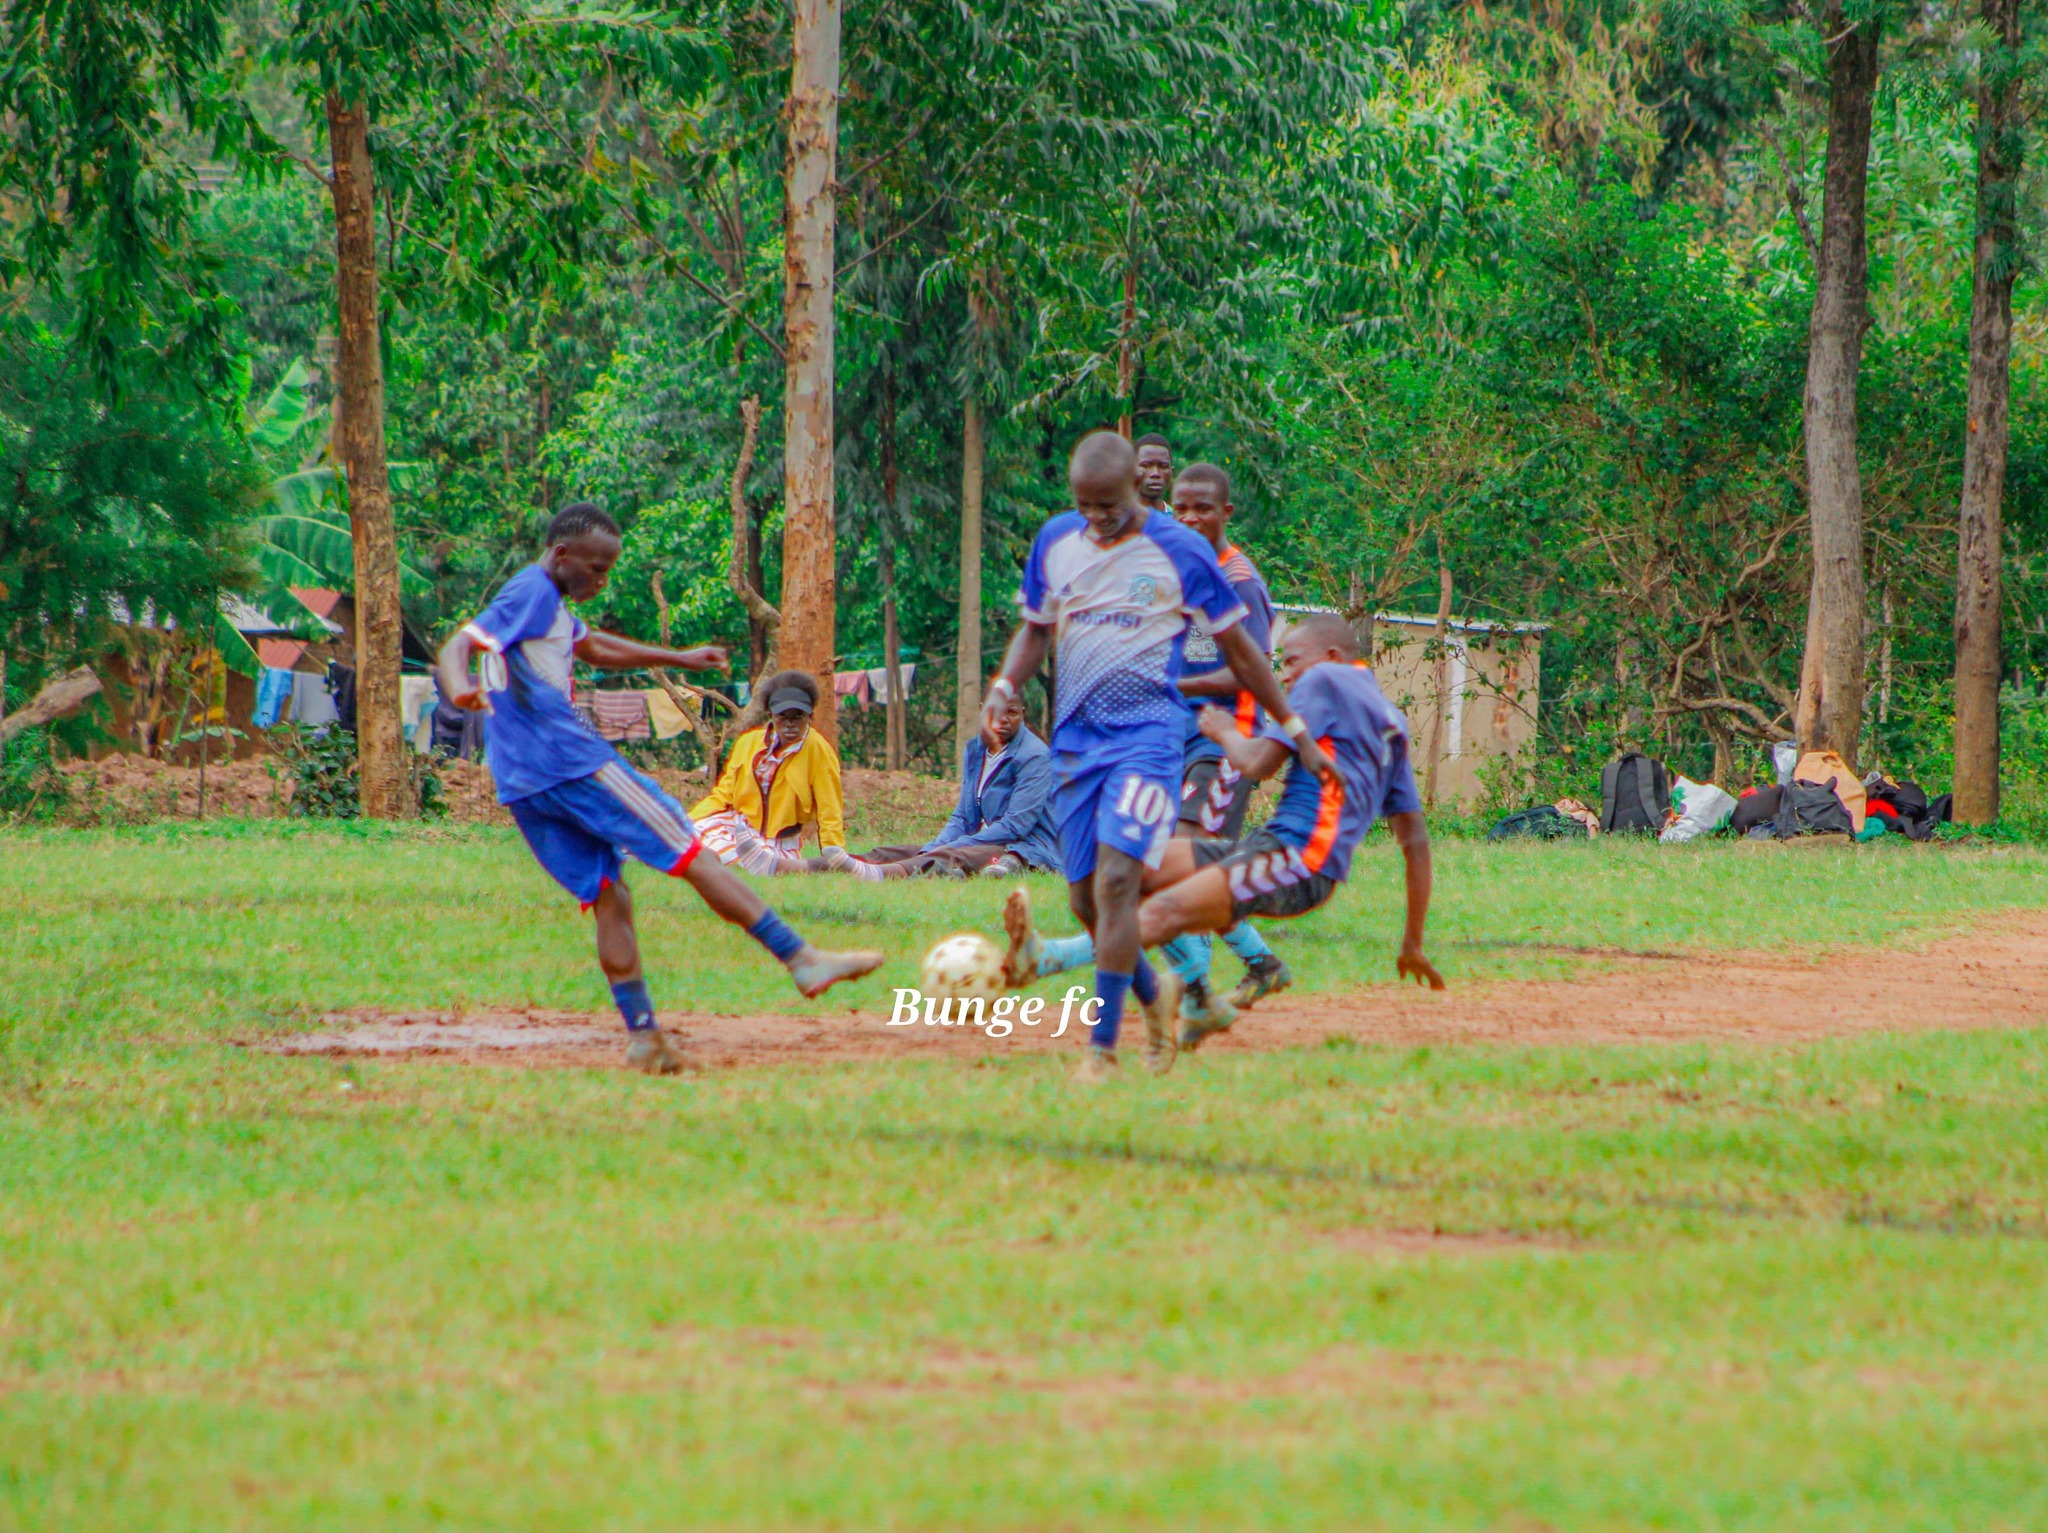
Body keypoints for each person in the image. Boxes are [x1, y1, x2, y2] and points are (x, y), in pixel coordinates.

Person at [435, 504, 882, 1075]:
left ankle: (645, 1037)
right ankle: (801, 957)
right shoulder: (530, 593)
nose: (602, 580)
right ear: (562, 555)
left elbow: (592, 647)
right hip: (572, 765)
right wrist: (458, 688)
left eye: (609, 571)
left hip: (521, 784)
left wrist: (679, 658)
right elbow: (458, 647)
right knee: (688, 846)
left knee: (609, 893)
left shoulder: (548, 605)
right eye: (597, 569)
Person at [981, 429, 1332, 1084]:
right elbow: (1034, 627)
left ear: (1135, 493)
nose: (1096, 521)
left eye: (1107, 507)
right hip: (1078, 742)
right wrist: (1004, 684)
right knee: (1087, 899)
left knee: (1124, 880)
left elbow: (1245, 652)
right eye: (1084, 507)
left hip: (1151, 738)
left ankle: (1101, 1051)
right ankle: (1163, 996)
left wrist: (1293, 726)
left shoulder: (1180, 553)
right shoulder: (1057, 542)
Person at [1003, 612, 1444, 1060]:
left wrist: (1224, 731)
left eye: (1291, 661)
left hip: (1296, 862)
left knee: (1162, 912)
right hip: (1272, 850)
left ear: (1332, 657)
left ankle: (1052, 964)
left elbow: (1257, 763)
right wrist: (1412, 943)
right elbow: (1415, 842)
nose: (1285, 675)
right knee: (1127, 871)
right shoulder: (1392, 722)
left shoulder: (1325, 681)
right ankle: (1200, 1000)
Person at [1018, 463, 1288, 1025]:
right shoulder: (1166, 566)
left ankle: (1093, 965)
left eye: (1202, 510)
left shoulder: (1238, 579)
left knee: (1166, 869)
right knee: (1149, 867)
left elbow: (1250, 667)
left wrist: (1165, 681)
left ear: (1226, 514)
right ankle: (1244, 969)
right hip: (1164, 737)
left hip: (1221, 745)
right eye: (1181, 509)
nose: (1188, 519)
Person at [826, 681, 1059, 879]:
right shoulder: (977, 749)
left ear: (1022, 713)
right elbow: (964, 816)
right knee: (901, 851)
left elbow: (1014, 826)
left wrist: (954, 846)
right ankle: (809, 865)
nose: (1004, 719)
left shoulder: (1034, 756)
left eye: (1012, 712)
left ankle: (878, 875)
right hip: (990, 840)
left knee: (951, 855)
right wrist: (935, 846)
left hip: (1025, 847)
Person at [690, 671, 848, 874]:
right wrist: (690, 820)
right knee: (682, 834)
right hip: (739, 827)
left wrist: (834, 853)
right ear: (771, 715)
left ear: (810, 716)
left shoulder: (819, 751)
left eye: (798, 716)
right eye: (783, 716)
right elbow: (723, 794)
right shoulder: (748, 742)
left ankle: (750, 861)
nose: (790, 723)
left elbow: (830, 809)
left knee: (755, 862)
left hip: (778, 843)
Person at [1133, 432, 1173, 516]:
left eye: (1163, 466)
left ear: (1171, 472)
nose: (1156, 473)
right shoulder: (1117, 521)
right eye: (1146, 465)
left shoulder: (1179, 521)